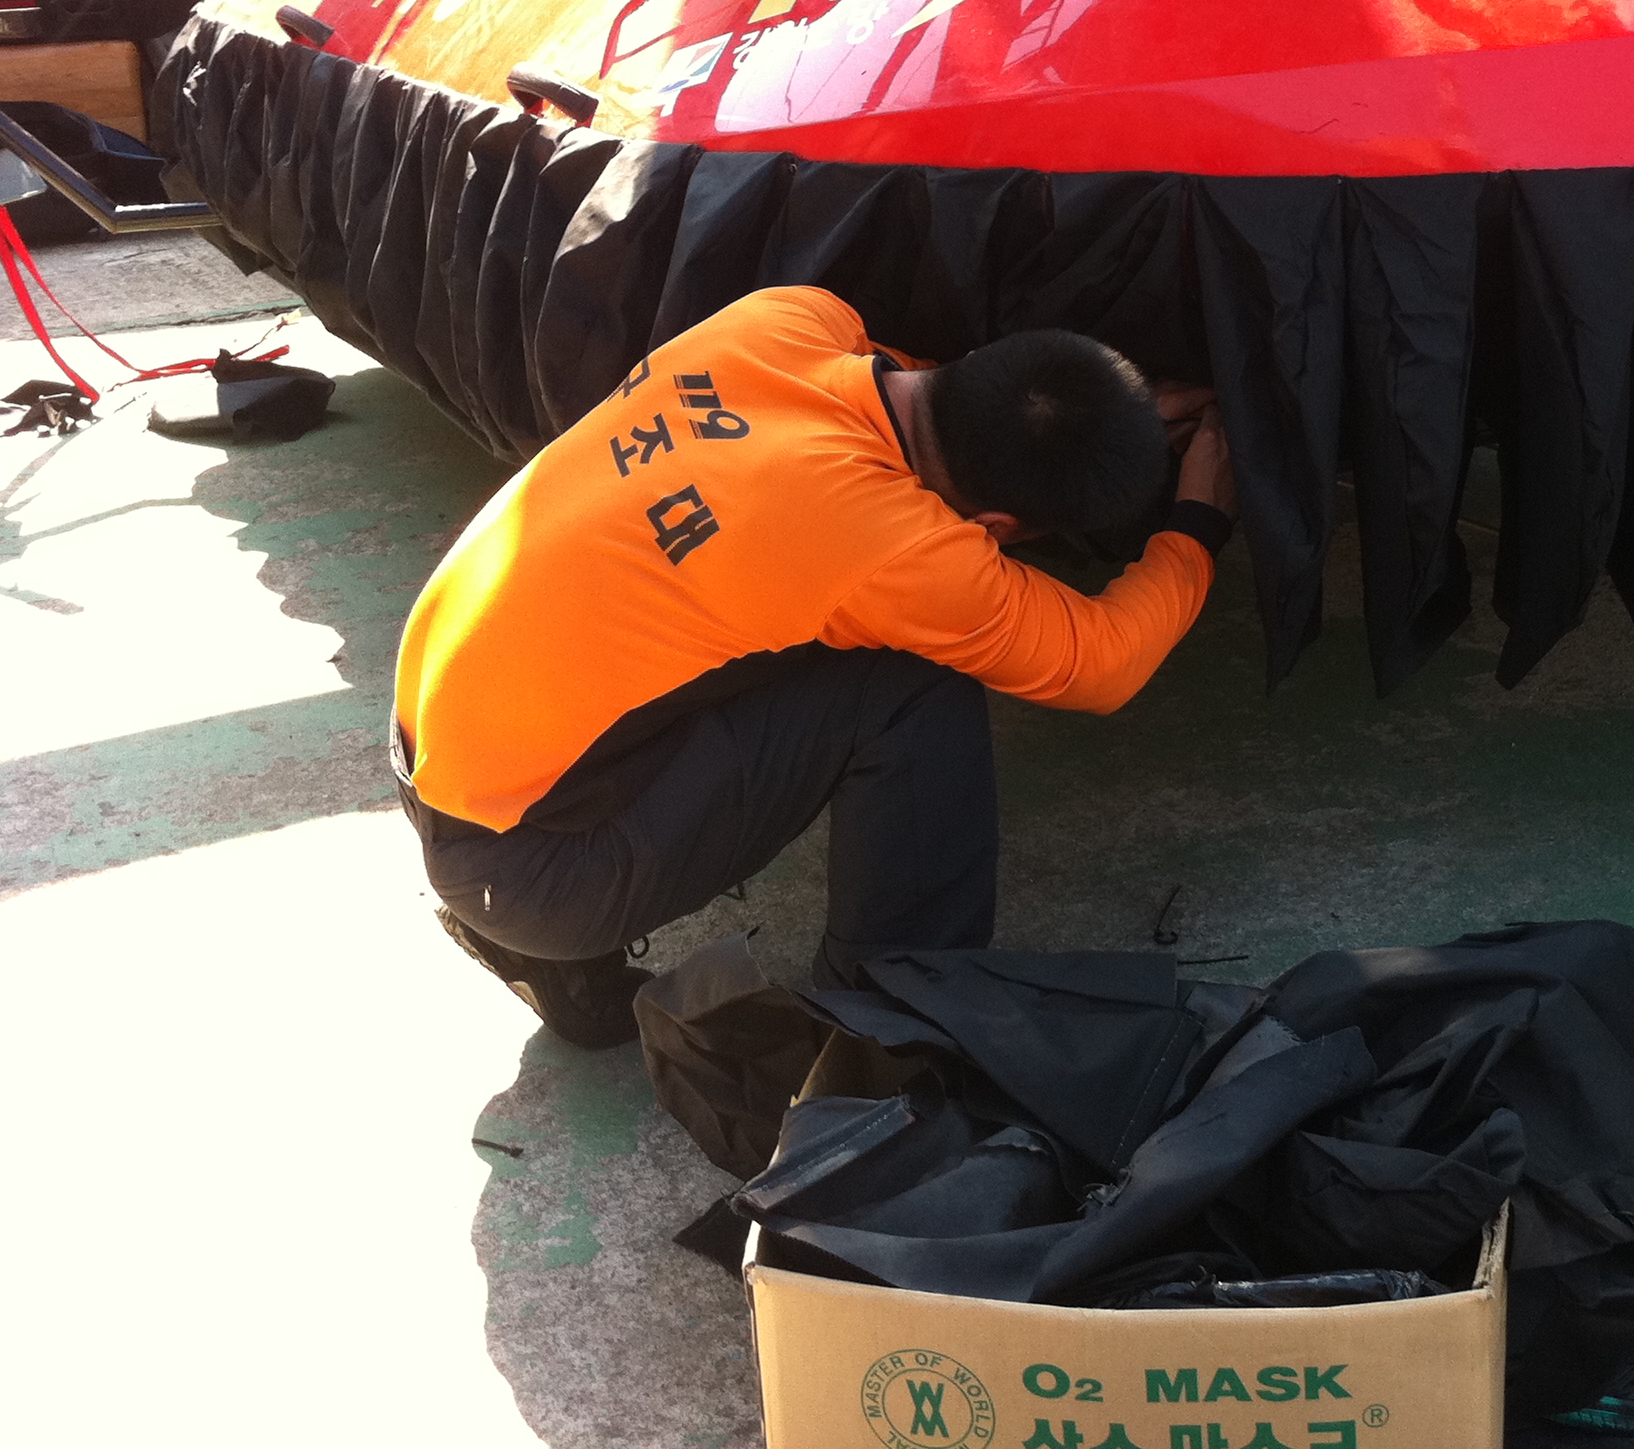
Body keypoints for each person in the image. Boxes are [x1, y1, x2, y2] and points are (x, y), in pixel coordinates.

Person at [391, 285, 1236, 1047]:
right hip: (530, 868)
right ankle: (887, 1028)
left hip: (426, 750)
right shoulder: (898, 548)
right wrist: (1200, 519)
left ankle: (551, 953)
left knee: (741, 628)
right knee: (909, 687)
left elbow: (933, 386)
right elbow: (1102, 662)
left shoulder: (785, 317)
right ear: (997, 527)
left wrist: (1103, 409)